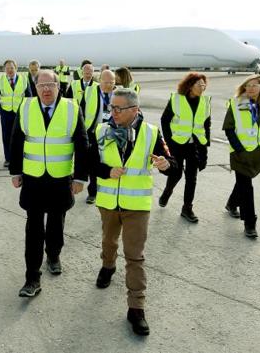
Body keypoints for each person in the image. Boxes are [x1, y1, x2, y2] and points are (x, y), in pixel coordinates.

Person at [90, 88, 176, 336]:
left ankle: (136, 308)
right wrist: (106, 172)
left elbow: (172, 164)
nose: (113, 112)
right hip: (108, 203)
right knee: (108, 241)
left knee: (134, 255)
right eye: (111, 108)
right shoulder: (101, 130)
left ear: (135, 110)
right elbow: (88, 162)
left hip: (136, 207)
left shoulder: (151, 133)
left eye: (119, 108)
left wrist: (165, 164)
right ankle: (107, 266)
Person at [9, 70, 88, 298]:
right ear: (35, 88)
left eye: (50, 85)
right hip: (33, 179)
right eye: (41, 85)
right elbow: (16, 141)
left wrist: (80, 178)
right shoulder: (25, 107)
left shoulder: (72, 109)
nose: (45, 89)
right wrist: (15, 172)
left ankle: (53, 254)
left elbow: (82, 144)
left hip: (60, 178)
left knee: (56, 222)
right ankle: (32, 277)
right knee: (33, 227)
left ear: (58, 87)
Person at [223, 74, 260, 238]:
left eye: (255, 85)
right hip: (240, 152)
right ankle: (250, 223)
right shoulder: (236, 104)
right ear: (244, 88)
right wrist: (239, 150)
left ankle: (231, 203)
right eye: (248, 85)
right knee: (247, 186)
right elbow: (229, 128)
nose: (251, 88)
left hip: (258, 153)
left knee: (243, 182)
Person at [158, 73, 211, 223]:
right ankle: (167, 192)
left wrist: (205, 148)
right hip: (177, 143)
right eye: (199, 84)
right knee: (176, 174)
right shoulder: (176, 99)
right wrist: (169, 142)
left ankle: (187, 208)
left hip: (195, 144)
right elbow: (165, 120)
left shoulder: (205, 102)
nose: (202, 87)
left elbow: (206, 126)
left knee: (192, 177)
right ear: (190, 86)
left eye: (203, 85)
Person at [80, 69, 116, 204]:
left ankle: (111, 192)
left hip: (113, 134)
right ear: (99, 81)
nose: (109, 85)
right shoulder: (90, 91)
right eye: (106, 82)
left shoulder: (119, 93)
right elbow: (81, 111)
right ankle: (93, 192)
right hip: (94, 133)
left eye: (112, 82)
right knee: (94, 163)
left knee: (111, 162)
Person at [0, 59, 33, 167]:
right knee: (6, 136)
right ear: (4, 69)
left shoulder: (24, 79)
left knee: (20, 136)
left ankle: (20, 158)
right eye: (7, 68)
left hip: (19, 113)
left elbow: (29, 96)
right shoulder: (1, 79)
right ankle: (8, 159)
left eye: (12, 68)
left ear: (16, 68)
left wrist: (26, 111)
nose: (9, 70)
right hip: (5, 113)